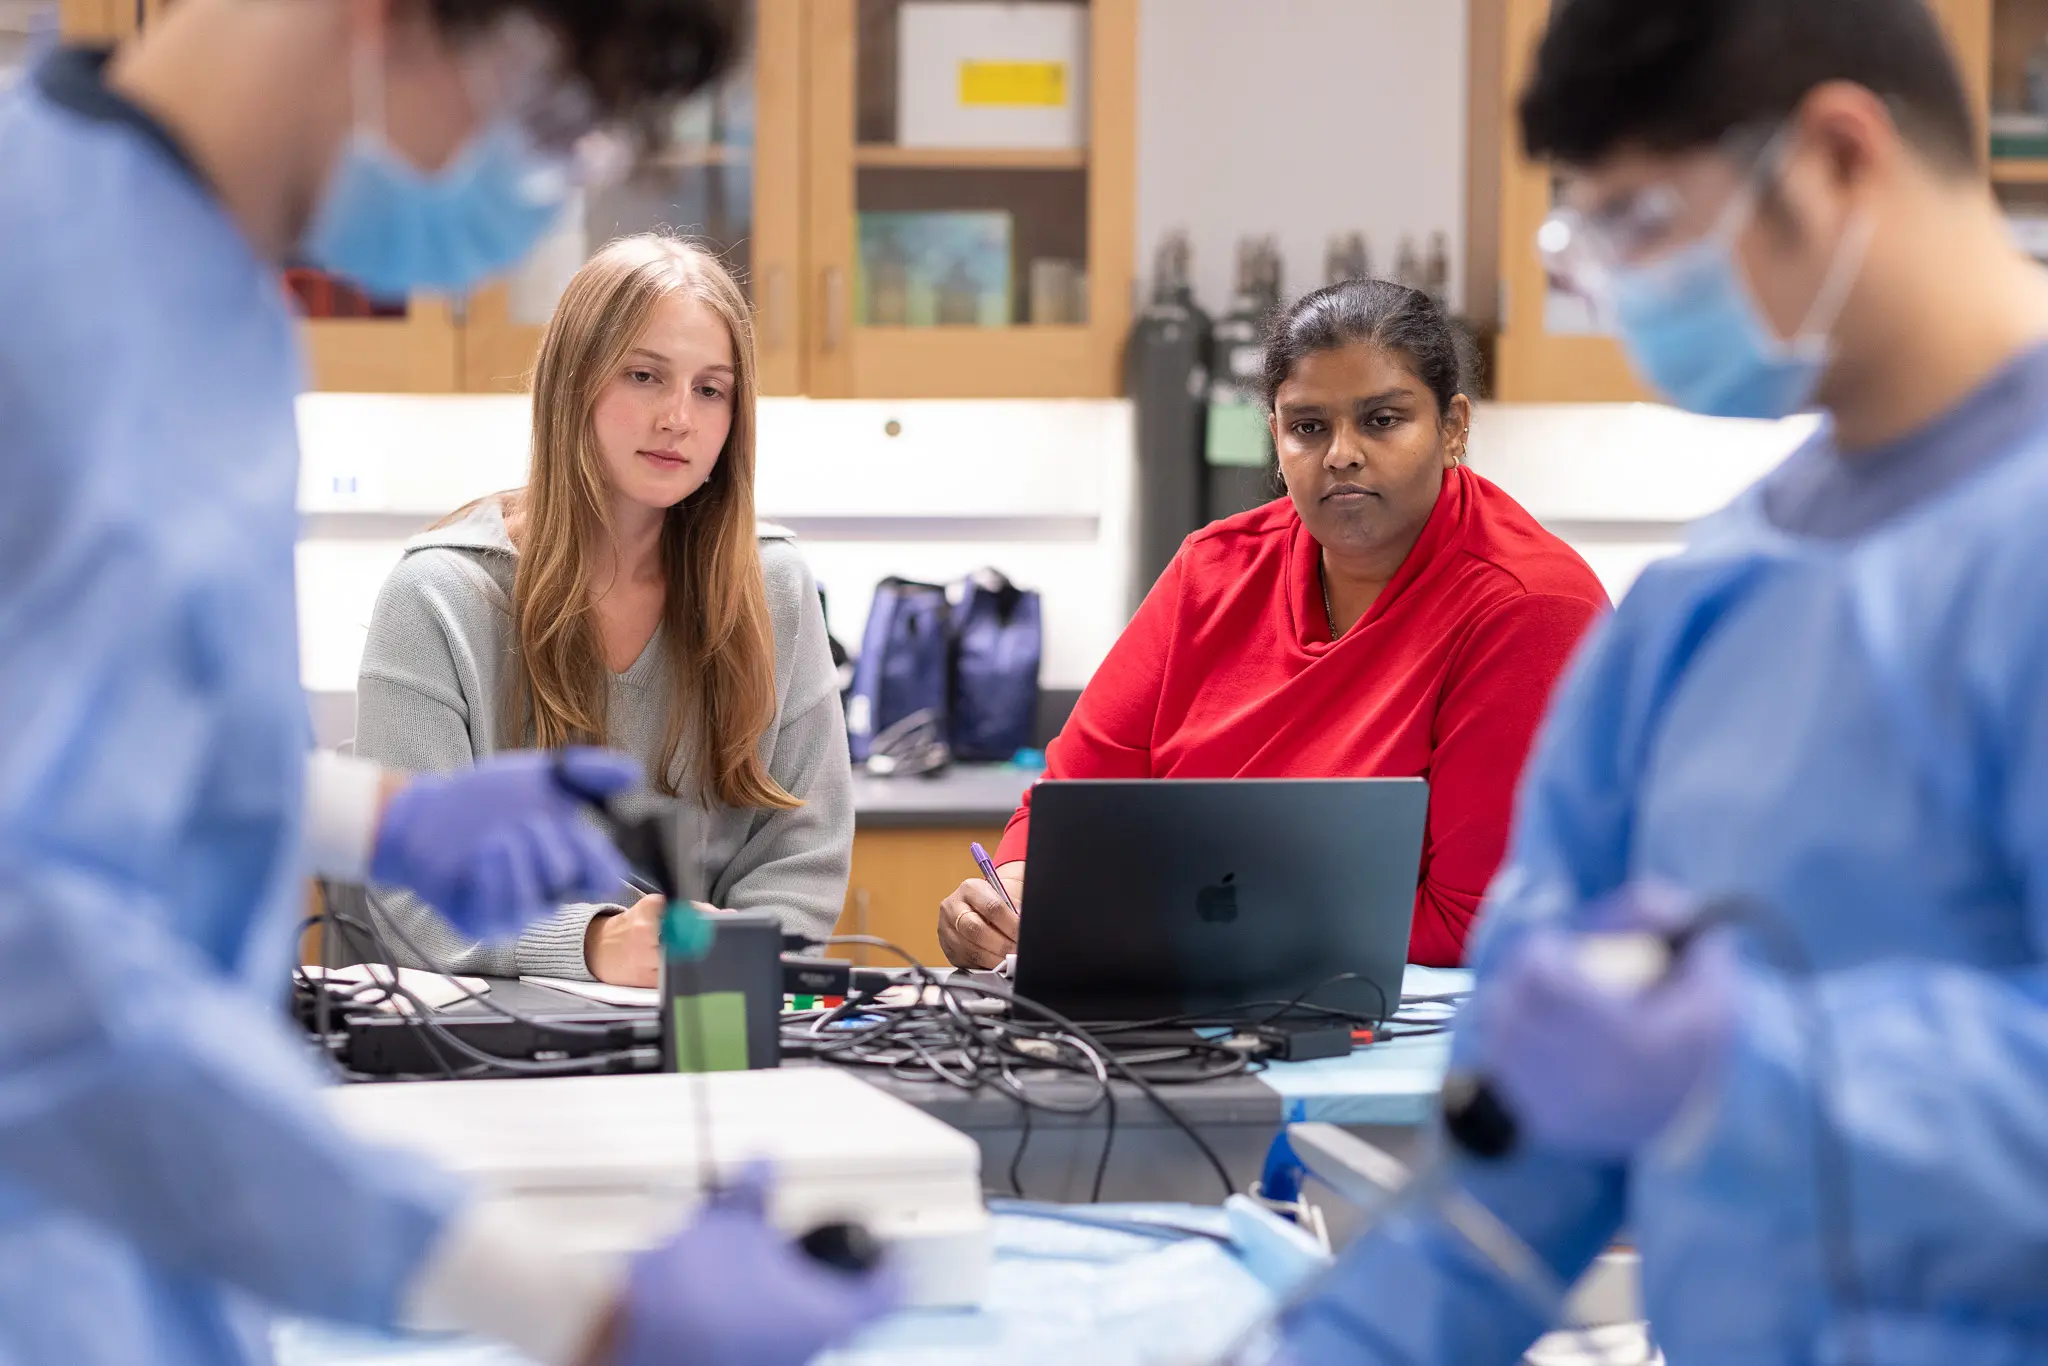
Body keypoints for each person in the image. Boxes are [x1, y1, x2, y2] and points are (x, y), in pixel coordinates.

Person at [0, 3, 890, 1365]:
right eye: (547, 119)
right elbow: (45, 986)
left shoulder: (213, 301)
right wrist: (584, 1311)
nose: (541, 185)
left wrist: (385, 824)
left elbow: (115, 747)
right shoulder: (40, 293)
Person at [1275, 0, 2048, 1362]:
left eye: (1637, 224)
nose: (1617, 289)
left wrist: (1751, 1065)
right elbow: (1529, 1145)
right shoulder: (1707, 604)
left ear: (1836, 160)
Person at [939, 282, 1608, 971]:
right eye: (1309, 427)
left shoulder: (1529, 606)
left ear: (1454, 427)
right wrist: (1015, 894)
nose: (1341, 453)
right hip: (1178, 1005)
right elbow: (1068, 809)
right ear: (1276, 438)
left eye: (1382, 419)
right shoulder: (1212, 569)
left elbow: (1470, 923)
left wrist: (1165, 919)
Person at [354, 234, 853, 988]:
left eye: (710, 389)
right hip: (501, 1048)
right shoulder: (440, 595)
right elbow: (415, 885)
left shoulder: (772, 583)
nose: (678, 418)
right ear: (572, 385)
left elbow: (801, 855)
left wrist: (733, 960)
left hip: (713, 1019)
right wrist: (593, 945)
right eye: (645, 376)